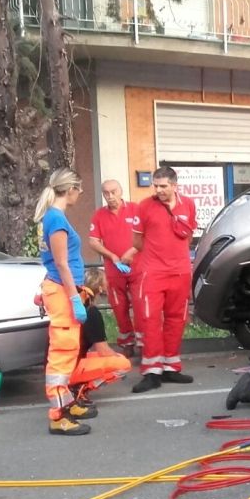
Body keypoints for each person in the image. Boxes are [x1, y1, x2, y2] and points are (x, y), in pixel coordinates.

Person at [123, 166, 198, 393]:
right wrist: (157, 256)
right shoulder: (145, 206)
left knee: (177, 318)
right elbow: (137, 241)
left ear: (175, 186)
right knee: (150, 319)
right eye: (156, 186)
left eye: (164, 186)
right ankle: (151, 371)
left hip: (181, 271)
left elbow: (189, 235)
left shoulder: (189, 204)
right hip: (153, 273)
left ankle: (170, 366)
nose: (159, 190)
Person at [34, 167, 96, 435]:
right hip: (62, 291)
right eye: (79, 189)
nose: (81, 194)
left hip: (59, 289)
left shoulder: (51, 217)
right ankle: (57, 416)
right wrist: (74, 297)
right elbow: (61, 263)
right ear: (70, 189)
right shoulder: (57, 220)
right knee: (62, 354)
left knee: (68, 351)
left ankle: (67, 404)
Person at [89, 179, 142, 358]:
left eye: (113, 192)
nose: (110, 196)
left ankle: (144, 342)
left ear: (121, 191)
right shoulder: (99, 215)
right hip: (114, 269)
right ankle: (127, 342)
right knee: (119, 307)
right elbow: (93, 241)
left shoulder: (136, 209)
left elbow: (148, 234)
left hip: (137, 266)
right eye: (106, 193)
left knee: (141, 304)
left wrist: (131, 252)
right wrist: (111, 256)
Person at [68, 268, 133, 407]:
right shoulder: (92, 312)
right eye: (105, 282)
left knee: (96, 356)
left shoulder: (74, 306)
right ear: (100, 288)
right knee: (122, 364)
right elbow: (103, 350)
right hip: (69, 368)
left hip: (59, 364)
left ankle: (75, 385)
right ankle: (79, 388)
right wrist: (116, 356)